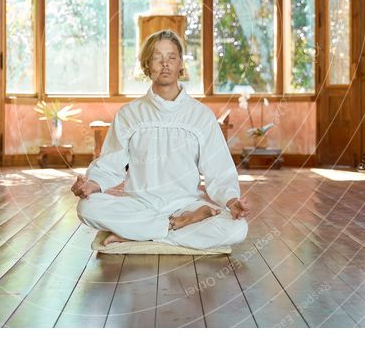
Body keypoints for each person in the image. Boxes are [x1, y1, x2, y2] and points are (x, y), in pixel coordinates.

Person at [71, 29, 250, 250]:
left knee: (237, 228)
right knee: (86, 208)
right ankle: (174, 228)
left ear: (180, 65)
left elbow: (219, 170)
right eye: (157, 58)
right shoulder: (129, 114)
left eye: (171, 57)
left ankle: (138, 234)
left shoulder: (201, 116)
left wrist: (231, 201)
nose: (165, 64)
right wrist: (91, 185)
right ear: (147, 65)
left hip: (186, 204)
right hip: (139, 205)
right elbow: (110, 164)